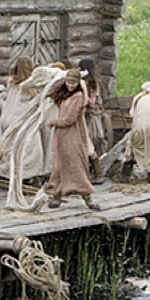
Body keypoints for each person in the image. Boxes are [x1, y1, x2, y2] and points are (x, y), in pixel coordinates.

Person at [45, 69, 100, 210]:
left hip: (72, 134)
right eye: (69, 82)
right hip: (61, 135)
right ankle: (56, 197)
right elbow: (49, 93)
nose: (71, 85)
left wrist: (53, 122)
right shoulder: (65, 94)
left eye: (74, 83)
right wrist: (59, 82)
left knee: (75, 164)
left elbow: (69, 119)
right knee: (59, 165)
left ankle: (88, 199)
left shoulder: (78, 96)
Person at [119, 82, 150, 184]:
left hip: (139, 124)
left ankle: (125, 176)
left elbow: (132, 114)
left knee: (132, 146)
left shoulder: (138, 97)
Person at [78, 57, 107, 184]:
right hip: (82, 115)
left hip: (91, 115)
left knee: (89, 141)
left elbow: (92, 103)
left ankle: (97, 173)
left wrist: (82, 96)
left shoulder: (93, 83)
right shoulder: (81, 81)